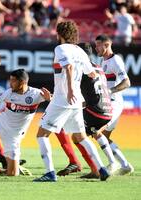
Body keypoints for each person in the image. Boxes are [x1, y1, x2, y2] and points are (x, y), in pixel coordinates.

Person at [33, 21, 110, 182]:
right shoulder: (79, 51)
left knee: (42, 135)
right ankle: (102, 169)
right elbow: (92, 74)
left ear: (60, 34)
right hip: (76, 101)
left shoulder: (60, 48)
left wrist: (69, 90)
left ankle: (50, 173)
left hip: (63, 99)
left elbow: (68, 68)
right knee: (82, 137)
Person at [56, 43, 119, 179]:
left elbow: (76, 93)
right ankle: (112, 162)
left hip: (95, 111)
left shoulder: (82, 69)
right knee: (94, 132)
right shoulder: (98, 68)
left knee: (76, 136)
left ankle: (95, 169)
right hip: (107, 110)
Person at [0, 69, 51, 176]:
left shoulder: (37, 94)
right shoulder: (8, 93)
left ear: (22, 82)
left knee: (12, 173)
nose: (10, 83)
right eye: (10, 80)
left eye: (13, 81)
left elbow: (54, 100)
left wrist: (49, 99)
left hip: (13, 136)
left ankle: (11, 168)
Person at [95, 34, 134, 175]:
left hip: (114, 102)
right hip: (108, 102)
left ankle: (113, 164)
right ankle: (125, 165)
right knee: (104, 135)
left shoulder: (115, 60)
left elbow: (127, 82)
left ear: (106, 45)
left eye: (98, 45)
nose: (96, 48)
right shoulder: (102, 62)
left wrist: (109, 91)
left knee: (97, 131)